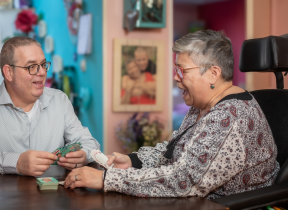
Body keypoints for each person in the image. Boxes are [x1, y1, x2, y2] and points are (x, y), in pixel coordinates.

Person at [63, 30, 280, 199]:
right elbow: (174, 151)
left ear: (213, 73)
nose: (176, 78)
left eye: (182, 71)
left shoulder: (229, 117)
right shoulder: (202, 106)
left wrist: (106, 178)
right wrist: (133, 161)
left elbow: (184, 180)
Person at [0, 36, 100, 176]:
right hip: (3, 201)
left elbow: (89, 143)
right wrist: (15, 162)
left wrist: (83, 155)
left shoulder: (59, 100)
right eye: (32, 66)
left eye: (43, 64)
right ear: (9, 72)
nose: (41, 72)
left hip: (54, 200)